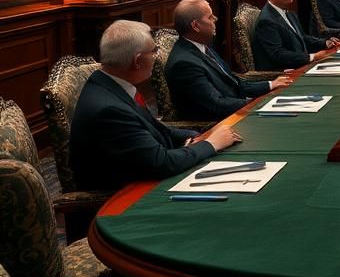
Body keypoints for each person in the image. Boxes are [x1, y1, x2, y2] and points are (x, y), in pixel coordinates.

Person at [70, 20, 242, 190]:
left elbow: (155, 129)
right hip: (128, 199)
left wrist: (193, 137)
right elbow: (162, 163)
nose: (157, 56)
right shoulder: (109, 111)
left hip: (144, 179)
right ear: (137, 61)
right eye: (154, 51)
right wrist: (211, 143)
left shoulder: (110, 84)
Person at [165, 0, 293, 120]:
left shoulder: (201, 46)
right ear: (196, 26)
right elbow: (217, 104)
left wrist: (271, 84)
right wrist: (260, 104)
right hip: (217, 125)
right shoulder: (184, 64)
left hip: (235, 112)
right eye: (210, 17)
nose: (216, 19)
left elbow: (233, 82)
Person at [253, 0, 340, 70]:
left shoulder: (290, 13)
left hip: (301, 64)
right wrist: (312, 57)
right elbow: (278, 54)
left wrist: (325, 43)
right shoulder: (266, 21)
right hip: (284, 72)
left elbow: (302, 38)